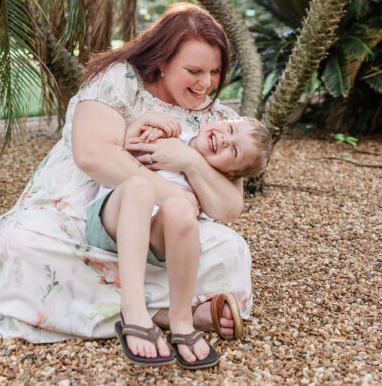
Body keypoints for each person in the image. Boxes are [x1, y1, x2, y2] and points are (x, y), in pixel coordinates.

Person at [0, 3, 255, 363]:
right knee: (25, 245)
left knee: (230, 250)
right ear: (162, 62)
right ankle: (167, 313)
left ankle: (143, 311)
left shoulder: (220, 121)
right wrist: (170, 192)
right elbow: (92, 155)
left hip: (167, 228)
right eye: (194, 70)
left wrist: (187, 162)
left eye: (215, 72)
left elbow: (228, 208)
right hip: (89, 204)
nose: (205, 84)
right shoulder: (119, 80)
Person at [82, 112, 271, 367]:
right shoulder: (174, 133)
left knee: (182, 210)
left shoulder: (209, 180)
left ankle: (181, 320)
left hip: (154, 241)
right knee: (140, 187)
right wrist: (141, 126)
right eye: (229, 128)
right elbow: (121, 149)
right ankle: (133, 309)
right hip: (114, 220)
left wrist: (191, 164)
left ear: (229, 174)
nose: (226, 140)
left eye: (234, 151)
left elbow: (227, 212)